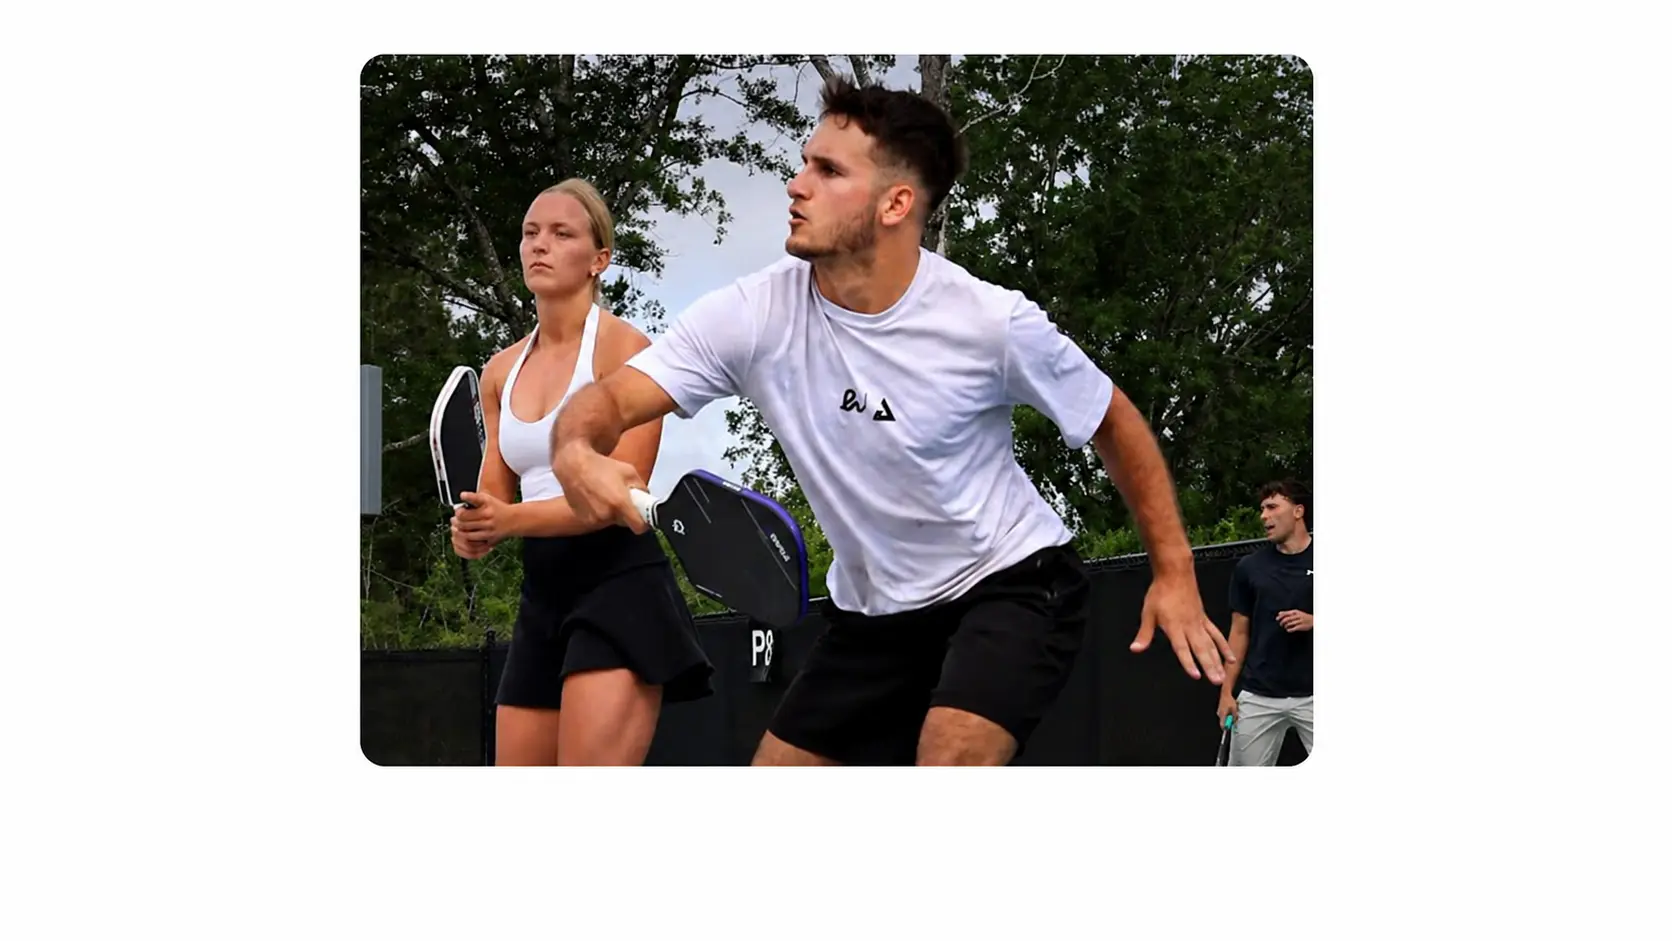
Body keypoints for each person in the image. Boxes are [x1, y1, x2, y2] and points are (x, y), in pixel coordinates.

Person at [549, 78, 1233, 766]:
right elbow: (604, 401)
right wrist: (575, 449)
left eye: (828, 170)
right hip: (872, 619)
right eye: (803, 162)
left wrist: (1173, 572)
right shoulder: (751, 316)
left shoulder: (990, 322)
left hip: (1009, 585)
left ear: (895, 203)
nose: (796, 184)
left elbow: (1113, 420)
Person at [449, 178, 712, 766]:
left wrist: (509, 519)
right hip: (540, 598)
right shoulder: (499, 372)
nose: (539, 245)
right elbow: (494, 495)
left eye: (561, 233)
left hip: (620, 589)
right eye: (530, 233)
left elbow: (618, 495)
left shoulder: (628, 351)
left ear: (599, 259)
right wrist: (475, 528)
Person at [1218, 479, 1314, 765]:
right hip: (1259, 694)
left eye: (1272, 507)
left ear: (1298, 511)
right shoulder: (1249, 568)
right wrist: (1225, 693)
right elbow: (1238, 632)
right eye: (1262, 509)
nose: (1264, 516)